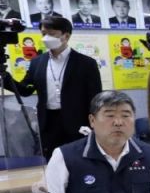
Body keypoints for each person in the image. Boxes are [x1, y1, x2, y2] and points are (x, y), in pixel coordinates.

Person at [39, 91, 150, 193]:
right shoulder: (66, 155)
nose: (118, 122)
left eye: (126, 115)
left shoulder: (148, 152)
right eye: (110, 116)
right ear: (92, 120)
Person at [3, 17, 102, 158]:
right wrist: (5, 77)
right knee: (52, 160)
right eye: (44, 34)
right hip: (48, 122)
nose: (46, 38)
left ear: (66, 36)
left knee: (78, 160)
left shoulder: (86, 63)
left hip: (77, 122)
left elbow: (96, 97)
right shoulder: (37, 62)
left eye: (51, 34)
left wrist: (94, 124)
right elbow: (25, 90)